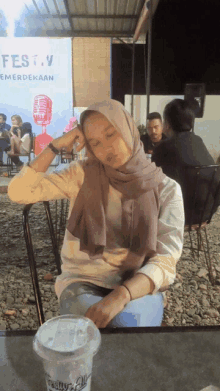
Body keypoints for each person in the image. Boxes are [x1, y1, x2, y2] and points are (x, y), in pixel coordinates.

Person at [8, 99, 184, 328]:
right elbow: (18, 191)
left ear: (128, 127)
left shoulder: (166, 189)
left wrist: (122, 294)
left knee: (127, 326)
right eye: (95, 143)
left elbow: (166, 260)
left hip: (138, 282)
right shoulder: (82, 175)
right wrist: (54, 146)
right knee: (93, 328)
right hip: (83, 280)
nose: (106, 148)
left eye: (111, 134)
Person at [152, 99, 219, 225]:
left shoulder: (162, 148)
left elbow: (152, 184)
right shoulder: (200, 143)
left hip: (173, 216)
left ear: (167, 124)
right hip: (203, 216)